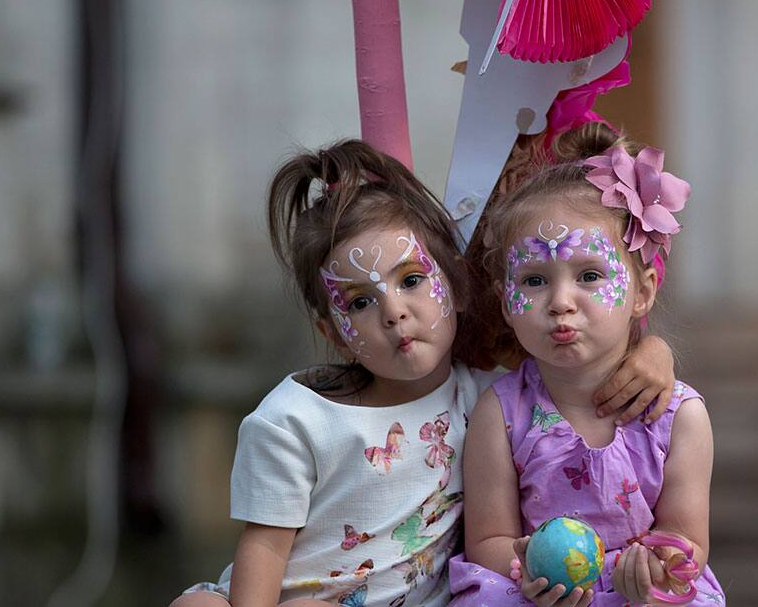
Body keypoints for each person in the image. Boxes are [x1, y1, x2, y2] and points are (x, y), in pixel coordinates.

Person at [170, 139, 679, 607]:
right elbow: (264, 546)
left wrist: (653, 350)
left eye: (412, 279)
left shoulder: (486, 402)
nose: (394, 312)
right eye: (361, 301)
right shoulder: (294, 421)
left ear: (457, 286)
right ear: (334, 331)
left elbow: (579, 364)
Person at [449, 123, 726, 606]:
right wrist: (529, 562)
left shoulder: (679, 418)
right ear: (505, 302)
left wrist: (652, 572)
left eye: (590, 275)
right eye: (534, 280)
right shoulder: (502, 414)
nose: (560, 302)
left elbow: (688, 546)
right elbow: (487, 543)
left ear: (642, 292)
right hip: (533, 593)